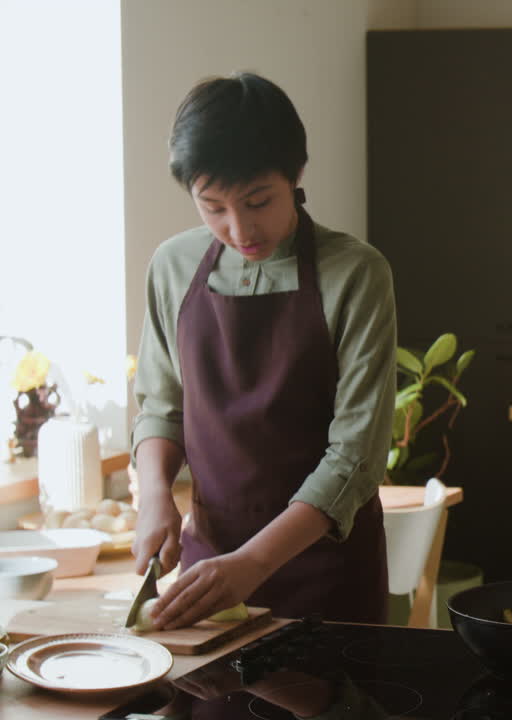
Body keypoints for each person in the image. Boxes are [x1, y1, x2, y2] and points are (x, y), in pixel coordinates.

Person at [131, 72, 397, 629]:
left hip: (327, 573)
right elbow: (162, 406)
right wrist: (154, 495)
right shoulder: (173, 266)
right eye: (212, 207)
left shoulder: (354, 272)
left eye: (258, 201)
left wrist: (253, 562)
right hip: (209, 573)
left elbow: (356, 457)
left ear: (296, 174)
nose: (239, 227)